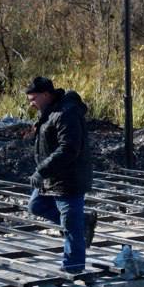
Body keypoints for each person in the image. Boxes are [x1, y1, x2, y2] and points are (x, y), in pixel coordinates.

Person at [24, 76, 97, 274]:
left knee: (71, 226)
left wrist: (42, 171)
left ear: (46, 95)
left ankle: (73, 268)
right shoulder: (50, 112)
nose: (31, 104)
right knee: (36, 205)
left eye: (33, 99)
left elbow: (69, 148)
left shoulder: (66, 113)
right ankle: (83, 221)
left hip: (69, 178)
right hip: (52, 176)